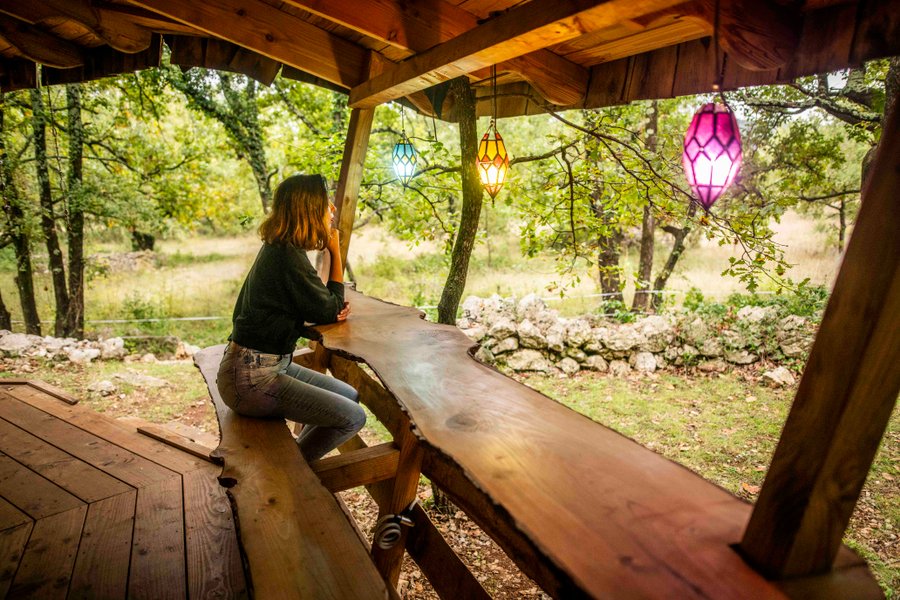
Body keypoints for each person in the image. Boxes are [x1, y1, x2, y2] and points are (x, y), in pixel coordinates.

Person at [216, 174, 364, 462]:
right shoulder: (286, 256)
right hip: (251, 378)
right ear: (308, 209)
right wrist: (335, 252)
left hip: (259, 366)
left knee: (350, 395)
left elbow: (319, 306)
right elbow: (329, 308)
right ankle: (290, 470)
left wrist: (328, 306)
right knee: (352, 417)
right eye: (326, 203)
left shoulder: (282, 249)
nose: (332, 209)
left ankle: (293, 464)